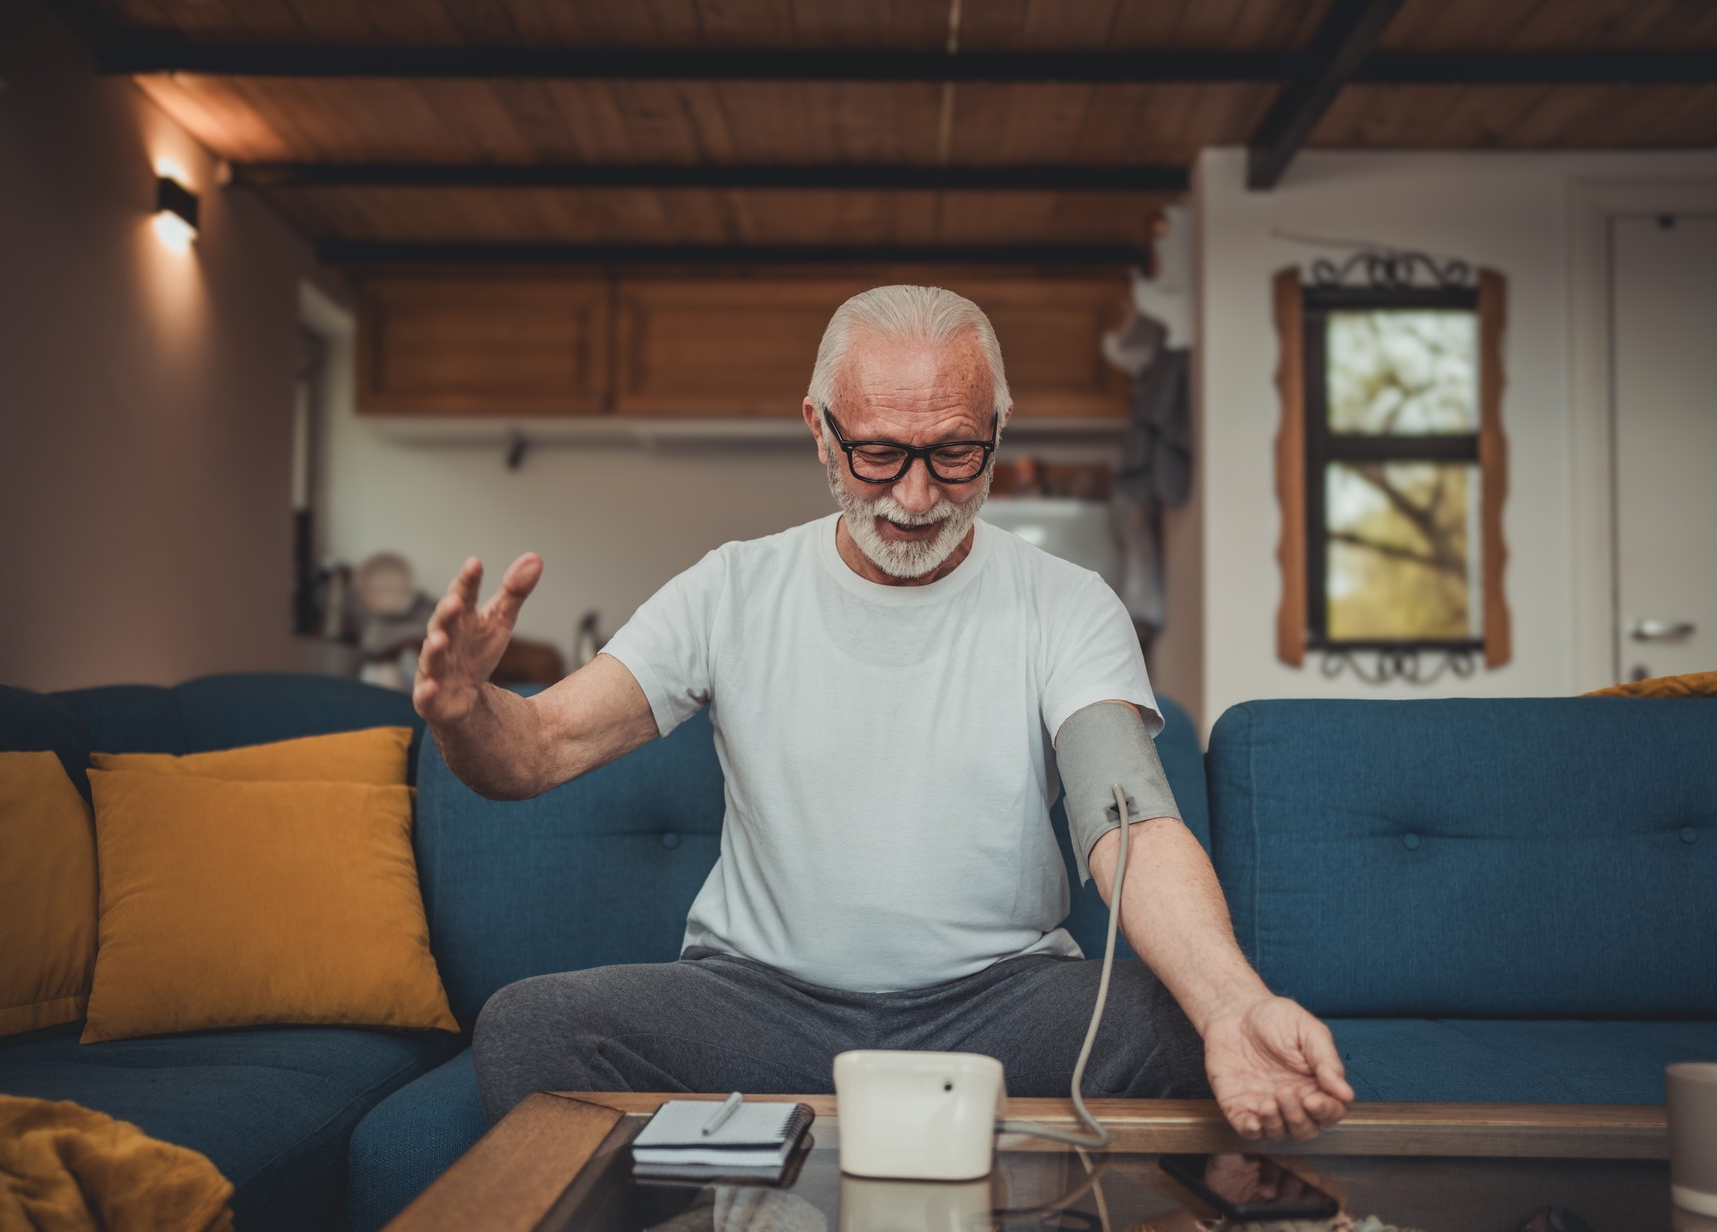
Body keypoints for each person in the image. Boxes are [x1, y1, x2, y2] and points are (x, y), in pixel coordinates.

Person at [413, 286, 1354, 1143]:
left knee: (1193, 1029)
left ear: (999, 425)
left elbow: (1130, 822)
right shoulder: (732, 589)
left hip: (1000, 1007)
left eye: (953, 453)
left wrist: (1232, 1002)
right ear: (820, 431)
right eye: (878, 455)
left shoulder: (1067, 603)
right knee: (529, 1028)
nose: (915, 497)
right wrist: (466, 713)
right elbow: (533, 753)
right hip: (757, 1006)